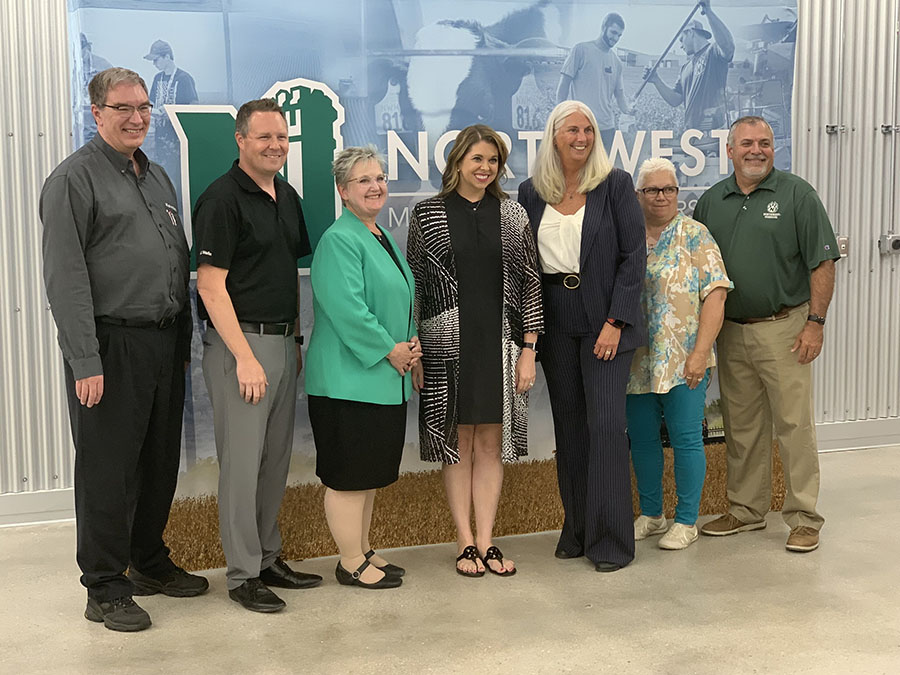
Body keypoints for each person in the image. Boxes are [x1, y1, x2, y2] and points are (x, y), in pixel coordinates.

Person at [40, 67, 207, 633]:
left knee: (159, 463)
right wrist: (85, 360)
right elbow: (66, 279)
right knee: (107, 470)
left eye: (143, 108)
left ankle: (148, 562)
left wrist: (181, 341)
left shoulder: (156, 176)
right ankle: (105, 585)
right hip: (110, 344)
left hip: (162, 342)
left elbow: (176, 262)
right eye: (123, 109)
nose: (137, 117)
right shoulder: (74, 180)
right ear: (96, 114)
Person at [194, 98, 321, 613]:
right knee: (242, 467)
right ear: (241, 140)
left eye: (282, 138)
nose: (275, 146)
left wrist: (293, 342)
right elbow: (209, 286)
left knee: (272, 462)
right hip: (238, 348)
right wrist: (244, 356)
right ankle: (244, 574)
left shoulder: (285, 196)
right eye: (264, 137)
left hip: (281, 343)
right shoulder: (221, 199)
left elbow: (288, 271)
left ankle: (268, 558)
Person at [694, 115, 840, 553]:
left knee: (794, 425)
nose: (756, 150)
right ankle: (746, 510)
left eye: (765, 143)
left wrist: (815, 323)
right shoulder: (710, 201)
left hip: (786, 329)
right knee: (741, 427)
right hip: (732, 332)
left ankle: (804, 518)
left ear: (773, 148)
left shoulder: (797, 194)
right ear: (730, 150)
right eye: (747, 143)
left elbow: (823, 262)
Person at [407, 124, 543, 577]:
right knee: (456, 442)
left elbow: (529, 283)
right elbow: (415, 290)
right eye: (477, 159)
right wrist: (417, 353)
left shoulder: (513, 215)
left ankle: (487, 540)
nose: (485, 168)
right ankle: (463, 541)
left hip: (502, 345)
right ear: (457, 162)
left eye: (493, 161)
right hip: (446, 345)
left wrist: (529, 348)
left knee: (490, 442)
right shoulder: (426, 214)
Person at [517, 100, 645, 572]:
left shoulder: (614, 185)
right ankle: (578, 530)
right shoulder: (530, 192)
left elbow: (633, 258)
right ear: (554, 136)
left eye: (589, 129)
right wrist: (528, 338)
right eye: (572, 129)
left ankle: (612, 541)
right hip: (554, 319)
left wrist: (616, 322)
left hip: (605, 320)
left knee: (607, 428)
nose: (582, 137)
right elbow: (526, 267)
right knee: (570, 431)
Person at [305, 146, 418, 590]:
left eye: (380, 178)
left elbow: (400, 297)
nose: (376, 186)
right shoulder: (339, 239)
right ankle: (350, 561)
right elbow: (348, 309)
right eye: (363, 181)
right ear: (342, 191)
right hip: (346, 383)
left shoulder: (377, 234)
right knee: (350, 477)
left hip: (381, 379)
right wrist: (392, 351)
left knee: (367, 475)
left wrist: (409, 345)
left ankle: (364, 549)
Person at [626, 158, 731, 551]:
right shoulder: (629, 236)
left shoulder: (695, 235)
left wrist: (700, 353)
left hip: (686, 358)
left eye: (669, 189)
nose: (661, 197)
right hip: (636, 359)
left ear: (678, 193)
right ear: (638, 195)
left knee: (687, 438)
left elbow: (716, 295)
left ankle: (687, 521)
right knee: (642, 438)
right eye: (652, 190)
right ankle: (652, 515)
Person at [642, 0, 735, 132]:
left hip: (714, 130)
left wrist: (708, 11)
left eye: (681, 39)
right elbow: (675, 100)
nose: (680, 45)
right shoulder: (685, 67)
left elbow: (729, 46)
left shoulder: (713, 52)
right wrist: (656, 80)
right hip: (691, 133)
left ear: (690, 32)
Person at [556, 12, 633, 151]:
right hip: (582, 127)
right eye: (613, 32)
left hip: (607, 128)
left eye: (619, 35)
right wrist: (560, 117)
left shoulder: (617, 62)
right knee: (581, 170)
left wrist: (628, 109)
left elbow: (620, 94)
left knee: (603, 171)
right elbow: (564, 85)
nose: (615, 38)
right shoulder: (581, 50)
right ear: (604, 27)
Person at [143, 40, 198, 201]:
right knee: (161, 172)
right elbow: (151, 102)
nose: (154, 64)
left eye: (156, 59)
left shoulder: (184, 78)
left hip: (178, 137)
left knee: (179, 173)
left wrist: (174, 113)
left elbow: (194, 106)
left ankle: (182, 206)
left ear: (167, 57)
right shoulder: (157, 78)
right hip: (161, 134)